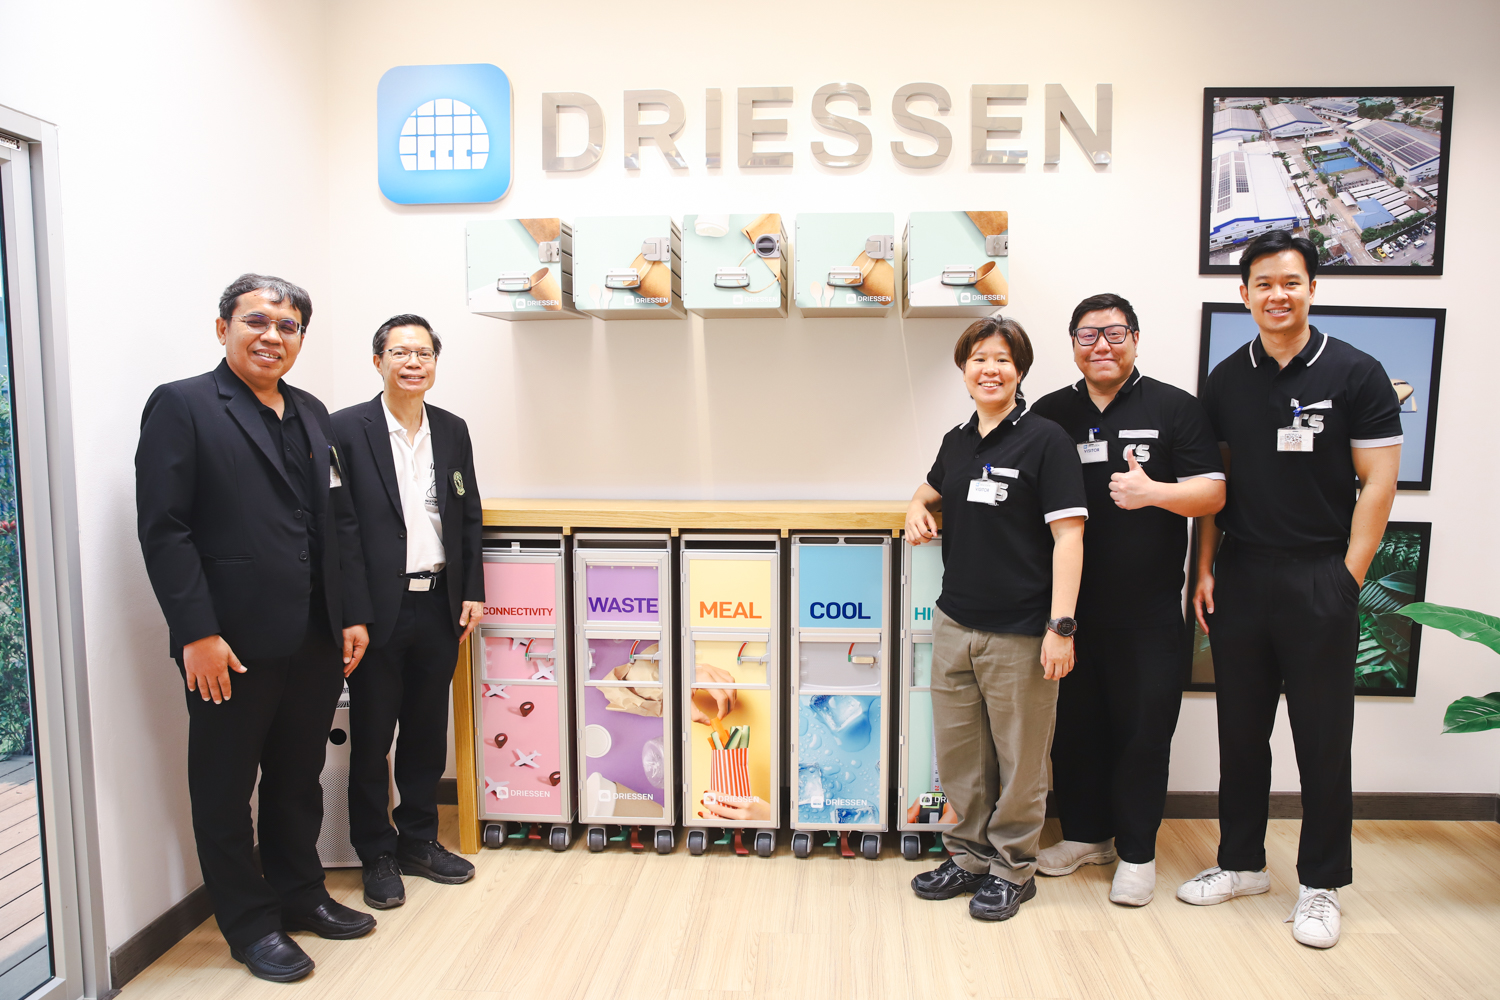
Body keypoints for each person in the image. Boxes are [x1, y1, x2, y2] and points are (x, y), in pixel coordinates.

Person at [136, 274, 376, 983]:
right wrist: (196, 633)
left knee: (298, 778)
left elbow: (337, 519)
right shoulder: (183, 405)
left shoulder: (311, 412)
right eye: (257, 321)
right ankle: (249, 924)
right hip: (228, 645)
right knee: (224, 787)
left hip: (313, 636)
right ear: (224, 329)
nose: (273, 336)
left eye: (288, 326)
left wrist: (351, 612)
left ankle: (301, 893)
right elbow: (165, 529)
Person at [1182, 231, 1401, 948]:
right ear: (1244, 294)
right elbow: (1214, 486)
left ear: (1311, 288)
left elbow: (1379, 484)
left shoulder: (1356, 372)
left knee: (1322, 739)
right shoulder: (1225, 379)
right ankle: (1241, 864)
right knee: (1241, 732)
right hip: (1242, 573)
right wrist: (1206, 567)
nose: (1278, 295)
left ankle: (1321, 884)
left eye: (1290, 282)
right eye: (1264, 284)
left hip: (1319, 574)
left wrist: (1348, 577)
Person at [1030, 294, 1225, 906]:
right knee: (1075, 728)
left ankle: (1137, 852)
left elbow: (1213, 493)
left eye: (1115, 333)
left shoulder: (1174, 407)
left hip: (1148, 610)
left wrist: (1154, 492)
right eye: (1088, 335)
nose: (1102, 346)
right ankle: (1086, 836)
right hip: (1069, 610)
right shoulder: (1051, 412)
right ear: (1073, 344)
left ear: (1135, 339)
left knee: (1144, 732)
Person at [904, 316, 1087, 922]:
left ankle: (1013, 869)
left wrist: (1061, 628)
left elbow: (1069, 538)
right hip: (955, 622)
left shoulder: (1046, 440)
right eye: (979, 358)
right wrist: (914, 505)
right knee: (961, 757)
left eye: (1003, 359)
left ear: (1020, 371)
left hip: (1023, 631)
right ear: (964, 370)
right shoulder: (957, 440)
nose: (990, 369)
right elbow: (931, 489)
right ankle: (969, 857)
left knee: (1021, 760)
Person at [331, 315, 484, 909]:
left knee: (425, 732)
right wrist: (350, 612)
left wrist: (471, 588)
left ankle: (419, 840)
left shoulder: (452, 429)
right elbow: (339, 529)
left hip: (440, 603)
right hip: (376, 611)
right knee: (373, 738)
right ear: (379, 362)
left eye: (423, 353)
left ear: (435, 363)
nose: (413, 362)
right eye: (400, 352)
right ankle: (377, 852)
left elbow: (467, 514)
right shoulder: (345, 429)